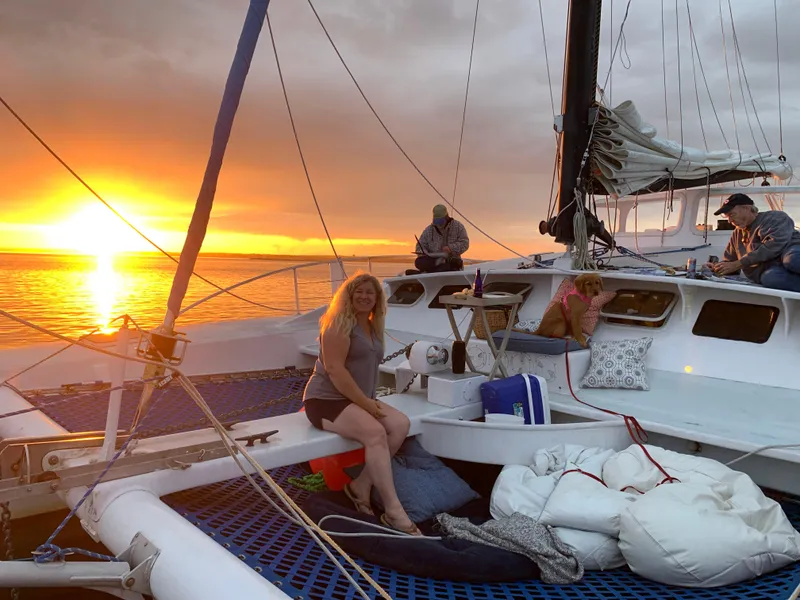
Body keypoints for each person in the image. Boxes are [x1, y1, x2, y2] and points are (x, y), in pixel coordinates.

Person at [302, 272, 421, 535]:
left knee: (400, 424)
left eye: (371, 293)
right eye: (360, 292)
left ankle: (361, 485)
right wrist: (367, 405)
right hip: (326, 400)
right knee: (376, 433)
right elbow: (335, 371)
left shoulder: (371, 325)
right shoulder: (337, 325)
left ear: (378, 299)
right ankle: (394, 512)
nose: (365, 297)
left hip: (358, 399)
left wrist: (368, 402)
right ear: (349, 295)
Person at [707, 193, 800, 292]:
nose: (729, 221)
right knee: (770, 278)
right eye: (727, 217)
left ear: (747, 208)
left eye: (732, 214)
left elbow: (773, 246)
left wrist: (740, 263)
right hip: (770, 270)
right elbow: (731, 262)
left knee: (792, 260)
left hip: (789, 251)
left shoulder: (775, 217)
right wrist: (716, 268)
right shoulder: (736, 234)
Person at [414, 204, 469, 273]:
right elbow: (420, 246)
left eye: (441, 221)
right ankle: (436, 265)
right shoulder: (429, 230)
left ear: (447, 217)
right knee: (418, 262)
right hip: (432, 261)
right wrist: (423, 252)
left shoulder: (458, 227)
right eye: (436, 221)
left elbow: (465, 243)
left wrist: (451, 248)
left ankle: (433, 269)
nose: (439, 224)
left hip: (451, 261)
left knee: (450, 265)